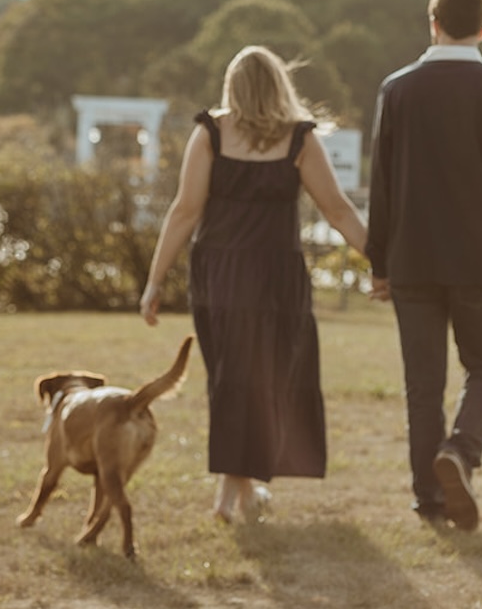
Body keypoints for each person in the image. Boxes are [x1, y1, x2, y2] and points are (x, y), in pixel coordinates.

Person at [140, 45, 368, 522]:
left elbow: (184, 211)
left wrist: (155, 281)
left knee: (232, 379)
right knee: (263, 380)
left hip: (219, 272)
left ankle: (236, 495)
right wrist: (383, 262)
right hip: (275, 277)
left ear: (233, 86)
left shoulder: (209, 133)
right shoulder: (299, 138)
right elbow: (338, 209)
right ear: (280, 85)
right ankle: (236, 495)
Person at [366, 0, 482, 531]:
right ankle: (461, 453)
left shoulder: (397, 90)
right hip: (478, 260)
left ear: (432, 24)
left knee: (423, 385)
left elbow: (383, 184)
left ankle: (430, 499)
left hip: (413, 260)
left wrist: (378, 261)